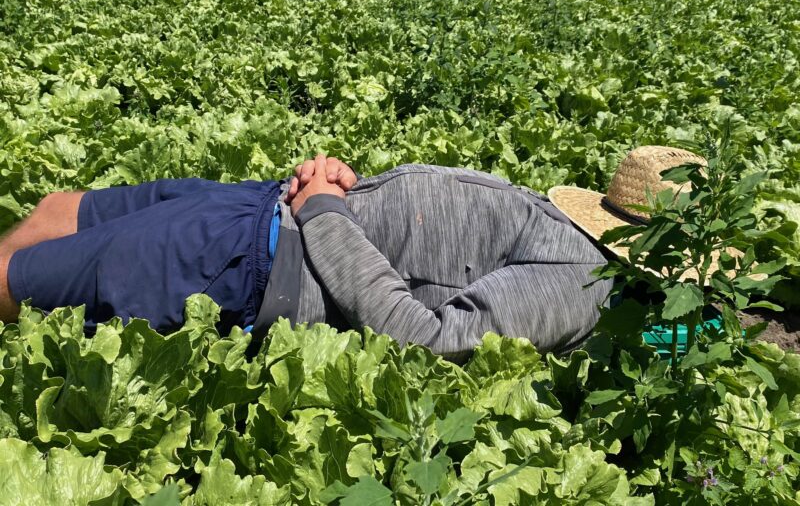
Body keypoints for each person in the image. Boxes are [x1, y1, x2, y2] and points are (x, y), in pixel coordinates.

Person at [0, 154, 613, 361]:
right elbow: (429, 238)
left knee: (15, 282)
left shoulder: (580, 284)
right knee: (61, 207)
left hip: (251, 266)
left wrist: (323, 210)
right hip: (257, 209)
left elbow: (428, 340)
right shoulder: (575, 239)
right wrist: (345, 186)